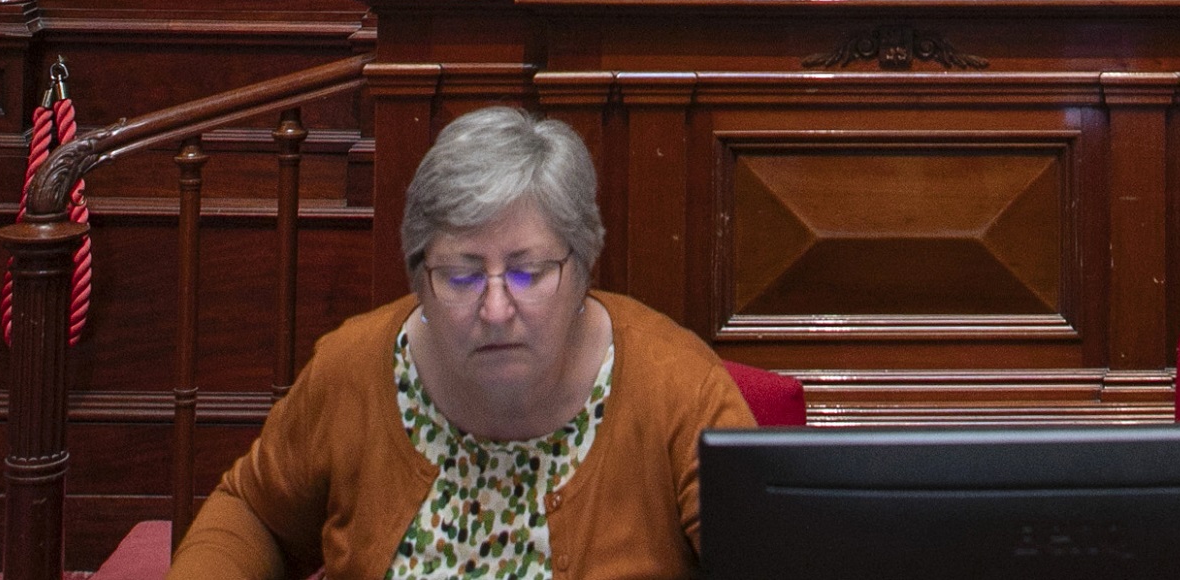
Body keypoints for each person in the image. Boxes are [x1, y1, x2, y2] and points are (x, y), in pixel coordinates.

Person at [168, 107, 752, 580]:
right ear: (419, 278)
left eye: (527, 273)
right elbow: (254, 515)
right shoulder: (355, 367)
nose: (496, 310)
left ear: (582, 268)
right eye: (461, 276)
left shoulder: (678, 391)